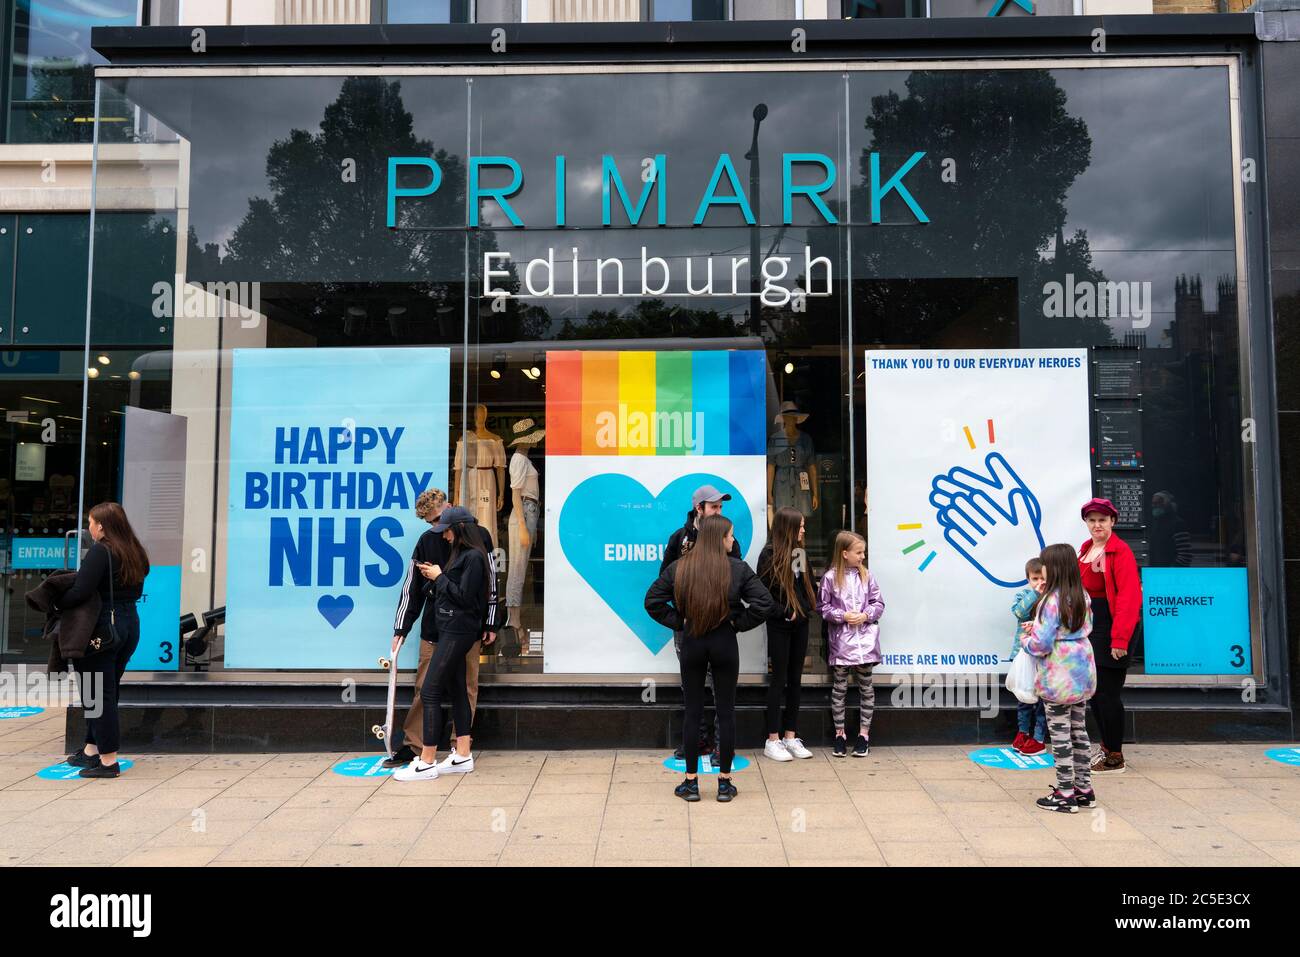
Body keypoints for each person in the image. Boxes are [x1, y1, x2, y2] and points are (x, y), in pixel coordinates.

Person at [645, 515, 775, 803]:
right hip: (724, 642)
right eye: (730, 536)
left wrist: (681, 621)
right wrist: (735, 622)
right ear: (720, 539)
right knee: (726, 712)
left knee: (693, 712)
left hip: (693, 640)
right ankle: (725, 784)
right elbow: (764, 603)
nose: (733, 540)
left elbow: (652, 601)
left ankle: (690, 784)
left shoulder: (680, 567)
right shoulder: (738, 569)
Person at [388, 490, 500, 768]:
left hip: (465, 625)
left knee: (466, 685)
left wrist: (491, 621)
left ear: (449, 510)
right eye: (431, 523)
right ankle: (416, 746)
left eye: (439, 520)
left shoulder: (478, 536)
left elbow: (491, 581)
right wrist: (402, 627)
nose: (437, 528)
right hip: (436, 625)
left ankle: (458, 745)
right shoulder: (428, 540)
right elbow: (411, 586)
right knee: (426, 686)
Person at [59, 502, 150, 779]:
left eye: (90, 522)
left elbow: (80, 591)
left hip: (101, 627)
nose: (88, 528)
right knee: (105, 691)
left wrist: (54, 601)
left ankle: (108, 761)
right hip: (128, 625)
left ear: (101, 526)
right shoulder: (134, 551)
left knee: (98, 694)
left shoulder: (101, 551)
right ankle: (90, 750)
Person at [660, 484, 742, 764]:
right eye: (714, 507)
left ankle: (721, 746)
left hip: (719, 626)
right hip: (690, 626)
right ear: (699, 509)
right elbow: (664, 581)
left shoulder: (730, 540)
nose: (719, 512)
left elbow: (737, 579)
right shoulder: (679, 539)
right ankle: (698, 741)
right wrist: (680, 618)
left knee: (721, 687)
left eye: (721, 507)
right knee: (690, 686)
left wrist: (732, 618)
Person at [1022, 543, 1097, 813]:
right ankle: (1084, 789)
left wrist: (1026, 640)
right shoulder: (1082, 595)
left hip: (1058, 673)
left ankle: (1065, 793)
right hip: (1082, 669)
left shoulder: (1049, 600)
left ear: (1052, 567)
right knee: (1079, 729)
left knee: (1060, 733)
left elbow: (1041, 644)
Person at [1078, 498, 1141, 775]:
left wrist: (1120, 640)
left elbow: (1129, 598)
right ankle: (1105, 747)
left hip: (1114, 627)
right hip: (1093, 627)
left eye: (1102, 520)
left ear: (1112, 522)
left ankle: (1115, 756)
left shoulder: (1120, 552)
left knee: (1108, 694)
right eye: (1092, 520)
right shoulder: (1085, 550)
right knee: (1095, 692)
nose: (1097, 525)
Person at [756, 506, 816, 762]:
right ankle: (772, 739)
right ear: (788, 527)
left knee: (796, 679)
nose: (803, 529)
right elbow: (762, 594)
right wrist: (784, 612)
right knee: (778, 679)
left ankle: (791, 736)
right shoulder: (769, 554)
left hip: (800, 623)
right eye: (800, 525)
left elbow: (805, 586)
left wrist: (802, 611)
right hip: (779, 623)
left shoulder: (799, 552)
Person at [817, 530, 884, 758]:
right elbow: (822, 607)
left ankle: (864, 735)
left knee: (866, 688)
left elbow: (878, 603)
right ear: (844, 553)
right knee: (839, 689)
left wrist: (865, 615)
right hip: (842, 644)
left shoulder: (867, 577)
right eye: (859, 552)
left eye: (863, 552)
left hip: (865, 645)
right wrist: (843, 616)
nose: (863, 556)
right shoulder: (829, 578)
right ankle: (839, 734)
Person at [1010, 557, 1048, 756]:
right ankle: (1023, 732)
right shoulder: (1025, 595)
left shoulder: (1052, 599)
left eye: (1042, 578)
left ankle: (1038, 737)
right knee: (1024, 697)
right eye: (1035, 578)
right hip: (1024, 655)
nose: (1039, 582)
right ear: (1028, 579)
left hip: (1044, 656)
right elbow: (1018, 612)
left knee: (1042, 700)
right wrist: (1035, 593)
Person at [1149, 490, 1192, 567]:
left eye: (1156, 503)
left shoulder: (1177, 524)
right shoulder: (1157, 524)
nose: (1153, 506)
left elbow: (1185, 556)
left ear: (1165, 504)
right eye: (1153, 503)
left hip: (1172, 575)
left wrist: (1170, 572)